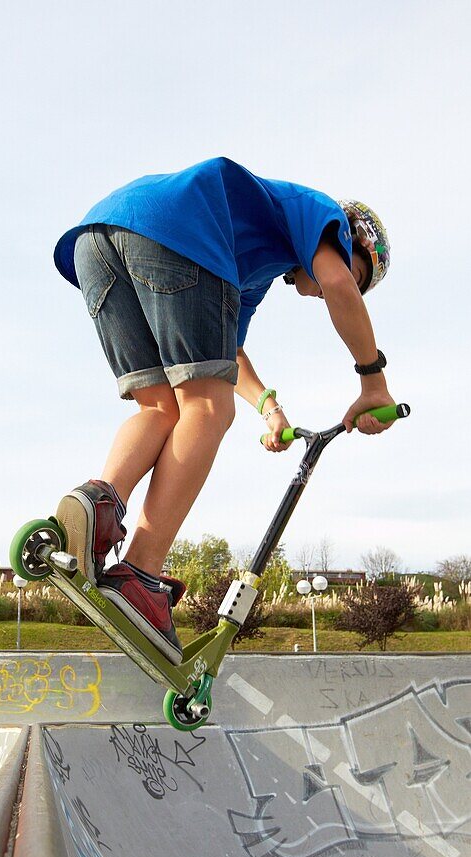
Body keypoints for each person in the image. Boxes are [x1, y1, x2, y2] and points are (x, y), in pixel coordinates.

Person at [52, 156, 395, 663]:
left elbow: (226, 353)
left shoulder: (249, 272)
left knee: (161, 406)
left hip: (98, 240)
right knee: (208, 411)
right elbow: (340, 287)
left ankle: (99, 506)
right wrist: (374, 382)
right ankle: (141, 574)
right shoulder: (318, 213)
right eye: (353, 269)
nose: (330, 285)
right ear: (349, 242)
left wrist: (268, 407)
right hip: (176, 230)